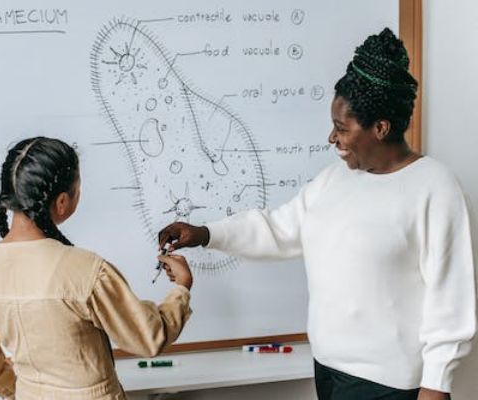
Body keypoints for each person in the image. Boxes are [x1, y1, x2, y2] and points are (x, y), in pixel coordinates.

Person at [158, 28, 475, 400]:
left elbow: (450, 301)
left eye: (341, 129)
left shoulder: (435, 188)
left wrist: (436, 386)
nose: (332, 138)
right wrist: (205, 234)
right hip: (328, 371)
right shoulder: (333, 180)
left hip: (389, 386)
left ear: (380, 128)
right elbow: (277, 229)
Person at [0, 137, 193, 400]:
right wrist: (181, 289)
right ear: (62, 202)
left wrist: (24, 390)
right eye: (78, 189)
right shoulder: (87, 271)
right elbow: (149, 337)